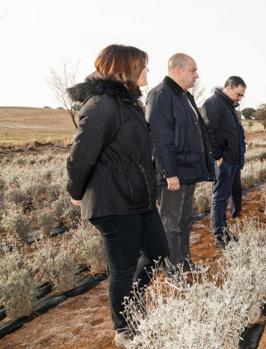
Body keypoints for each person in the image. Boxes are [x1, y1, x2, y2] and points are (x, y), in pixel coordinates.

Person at [66, 44, 169, 347]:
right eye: (144, 66)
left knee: (158, 251)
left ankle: (133, 304)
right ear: (126, 69)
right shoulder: (102, 105)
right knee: (122, 267)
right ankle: (123, 327)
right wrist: (76, 190)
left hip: (139, 198)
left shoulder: (128, 104)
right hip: (113, 201)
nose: (148, 72)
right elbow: (80, 156)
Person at [146, 53, 215, 269]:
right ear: (178, 70)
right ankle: (172, 267)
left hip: (188, 172)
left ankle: (185, 262)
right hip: (173, 176)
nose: (197, 75)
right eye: (193, 70)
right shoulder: (160, 96)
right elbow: (159, 138)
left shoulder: (186, 97)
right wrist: (169, 172)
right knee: (170, 223)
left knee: (186, 220)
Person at [202, 76, 247, 247]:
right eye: (238, 94)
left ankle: (225, 232)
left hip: (234, 160)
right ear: (228, 87)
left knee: (228, 197)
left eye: (242, 95)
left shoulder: (230, 106)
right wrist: (217, 156)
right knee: (219, 198)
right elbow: (208, 132)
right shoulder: (213, 104)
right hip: (224, 161)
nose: (240, 98)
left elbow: (237, 133)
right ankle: (219, 236)